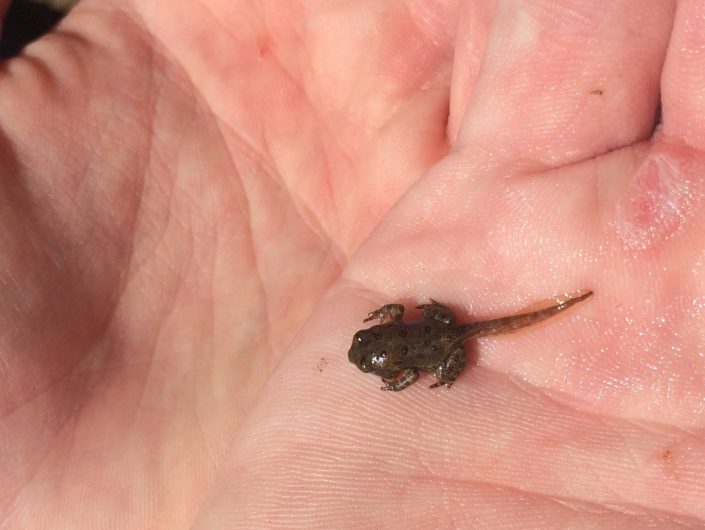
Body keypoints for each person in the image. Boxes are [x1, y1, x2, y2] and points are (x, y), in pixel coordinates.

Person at [2, 0, 703, 527]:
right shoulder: (408, 345)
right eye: (367, 349)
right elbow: (407, 337)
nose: (366, 348)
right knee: (480, 329)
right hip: (443, 332)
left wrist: (421, 370)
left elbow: (405, 352)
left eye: (366, 347)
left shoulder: (402, 355)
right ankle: (555, 306)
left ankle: (557, 306)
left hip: (444, 333)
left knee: (485, 328)